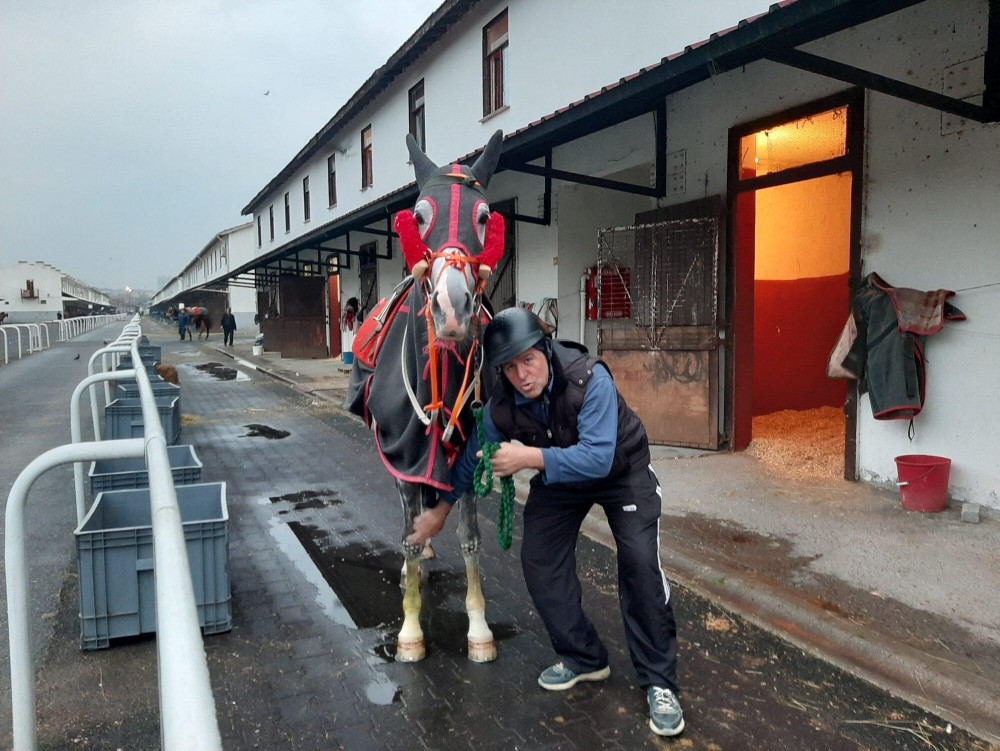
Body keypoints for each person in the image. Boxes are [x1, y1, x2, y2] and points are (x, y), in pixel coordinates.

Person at [407, 307, 684, 737]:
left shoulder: (589, 379)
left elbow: (597, 456)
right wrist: (440, 512)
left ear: (544, 349)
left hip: (620, 472)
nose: (522, 375)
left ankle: (660, 682)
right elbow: (471, 459)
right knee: (538, 557)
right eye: (510, 367)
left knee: (640, 564)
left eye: (529, 360)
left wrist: (528, 458)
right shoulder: (502, 404)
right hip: (562, 479)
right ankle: (584, 657)